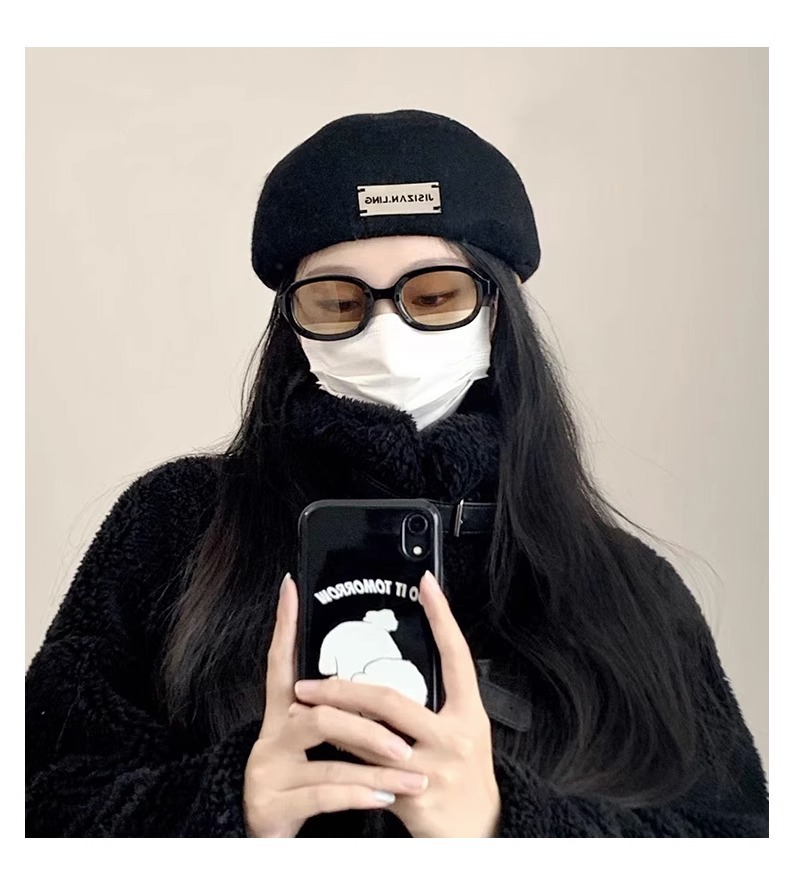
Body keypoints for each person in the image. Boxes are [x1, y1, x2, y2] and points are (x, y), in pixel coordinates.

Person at [25, 110, 768, 838]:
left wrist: (506, 827)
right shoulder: (177, 525)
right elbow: (37, 801)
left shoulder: (627, 587)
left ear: (497, 309)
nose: (386, 333)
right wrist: (229, 803)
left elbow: (735, 835)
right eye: (337, 301)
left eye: (434, 294)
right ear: (292, 322)